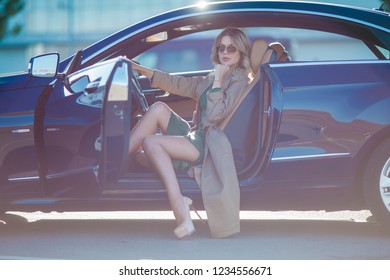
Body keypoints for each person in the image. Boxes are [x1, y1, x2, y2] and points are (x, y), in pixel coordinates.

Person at [129, 27, 252, 239]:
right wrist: (140, 69)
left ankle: (179, 203)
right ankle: (117, 159)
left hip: (209, 144)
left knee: (151, 143)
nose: (225, 52)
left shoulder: (238, 80)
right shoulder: (216, 74)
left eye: (231, 48)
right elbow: (182, 84)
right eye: (221, 47)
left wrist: (218, 82)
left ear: (241, 52)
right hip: (197, 135)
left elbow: (215, 116)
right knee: (158, 109)